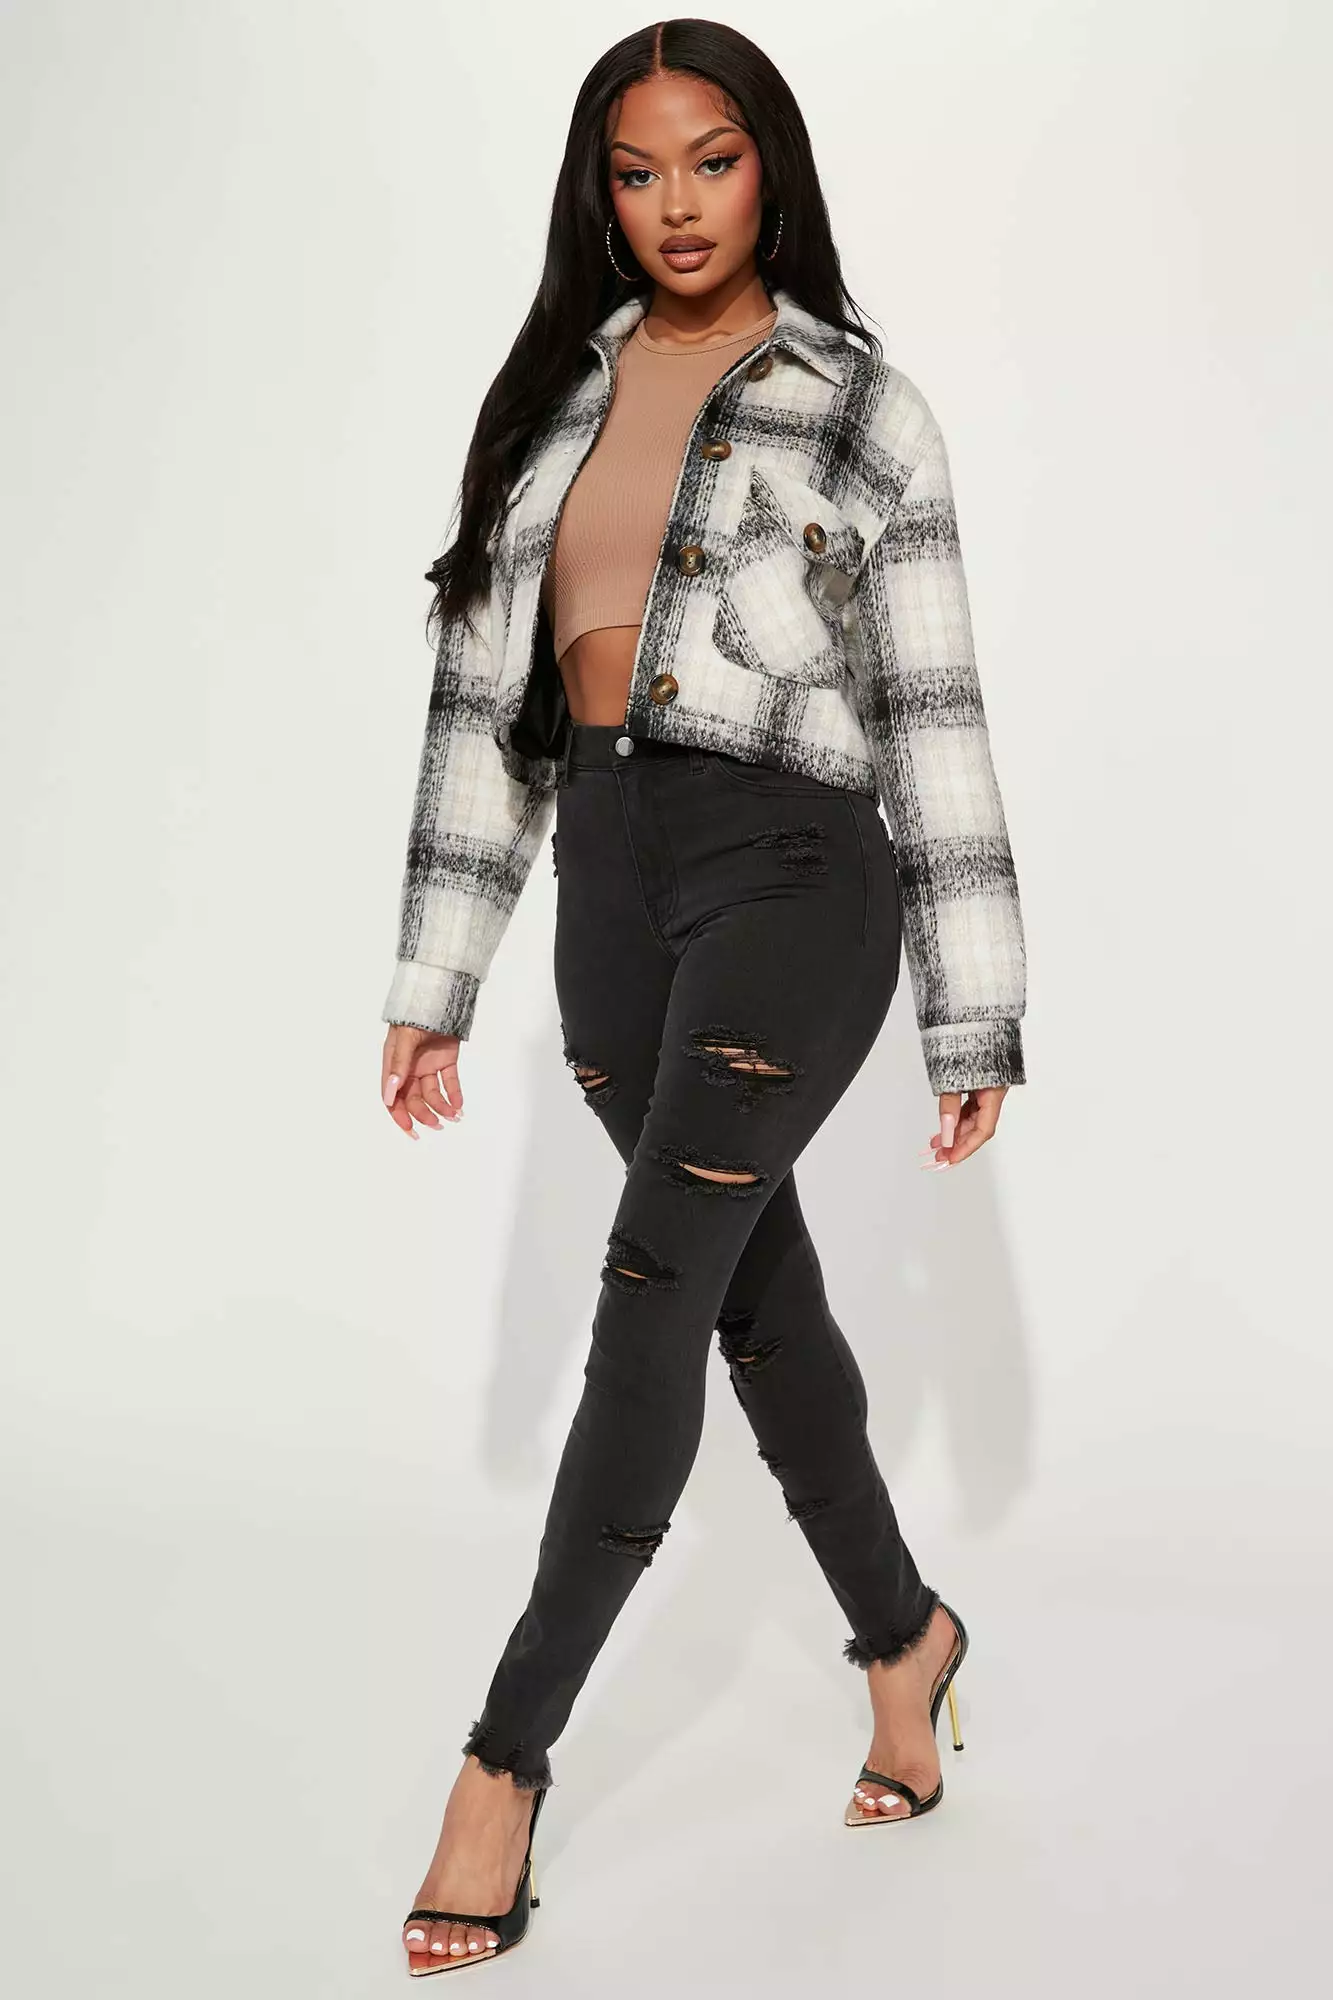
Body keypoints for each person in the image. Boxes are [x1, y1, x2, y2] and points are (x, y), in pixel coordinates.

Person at [383, 20, 1027, 1977]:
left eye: (714, 161)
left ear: (774, 172)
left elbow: (932, 710)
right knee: (756, 1302)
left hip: (794, 877)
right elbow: (479, 720)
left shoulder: (863, 409)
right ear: (600, 192)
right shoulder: (547, 405)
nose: (677, 204)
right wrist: (436, 977)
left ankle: (502, 1766)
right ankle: (906, 1639)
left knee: (653, 1298)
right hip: (608, 890)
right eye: (638, 169)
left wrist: (975, 1006)